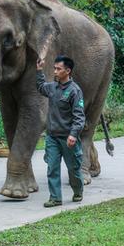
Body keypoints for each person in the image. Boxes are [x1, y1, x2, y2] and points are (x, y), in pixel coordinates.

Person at [36, 55, 85, 207]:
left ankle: (78, 190)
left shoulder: (74, 91)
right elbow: (41, 86)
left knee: (73, 169)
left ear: (68, 71)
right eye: (54, 68)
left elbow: (79, 116)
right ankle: (55, 198)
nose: (55, 71)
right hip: (52, 137)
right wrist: (39, 71)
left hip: (68, 138)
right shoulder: (52, 88)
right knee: (52, 168)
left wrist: (73, 134)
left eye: (59, 69)